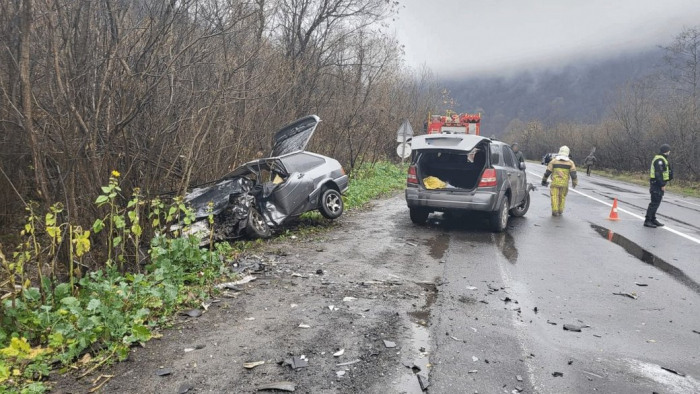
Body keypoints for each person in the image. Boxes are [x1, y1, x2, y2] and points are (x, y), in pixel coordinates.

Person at [541, 146, 578, 216]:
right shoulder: (570, 163)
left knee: (554, 196)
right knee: (562, 196)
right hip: (564, 184)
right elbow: (573, 175)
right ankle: (560, 210)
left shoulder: (554, 161)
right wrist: (574, 182)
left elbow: (547, 172)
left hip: (555, 183)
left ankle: (555, 210)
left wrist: (544, 180)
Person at [644, 144, 673, 228]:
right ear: (666, 151)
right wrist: (662, 184)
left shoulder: (662, 158)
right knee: (654, 202)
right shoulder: (659, 160)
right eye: (668, 151)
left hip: (658, 183)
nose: (669, 152)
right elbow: (658, 173)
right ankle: (648, 220)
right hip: (656, 184)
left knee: (657, 202)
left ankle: (653, 219)